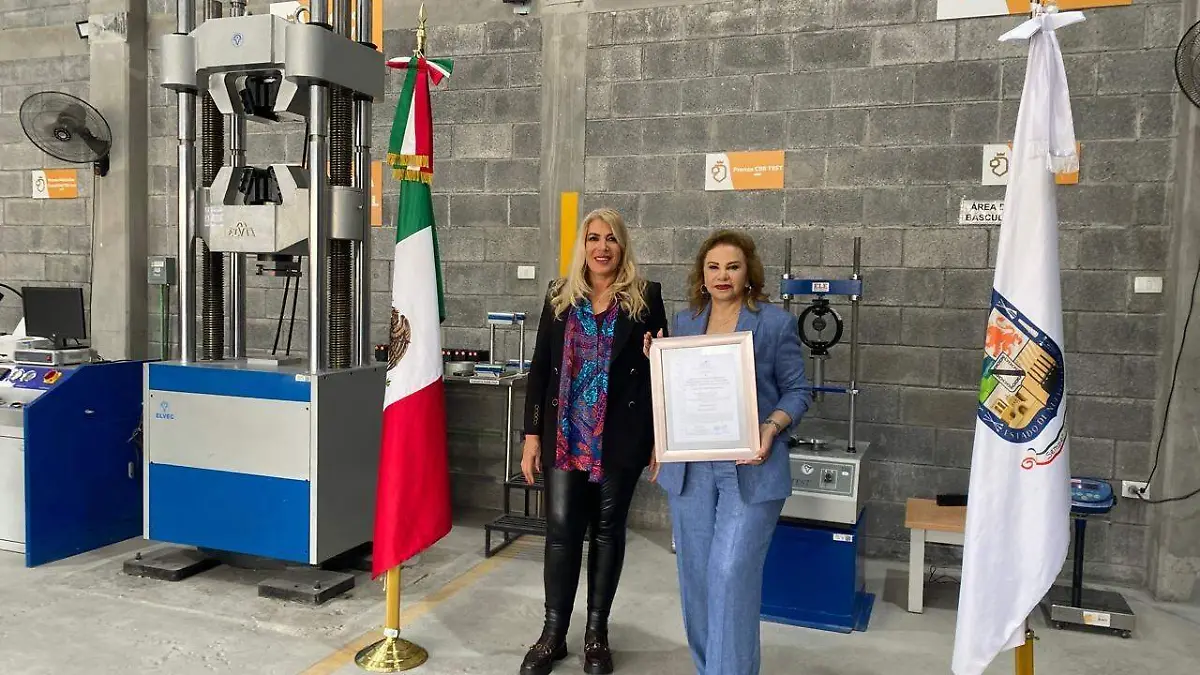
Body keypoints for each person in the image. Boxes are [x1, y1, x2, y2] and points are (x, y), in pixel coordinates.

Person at [646, 229, 809, 675]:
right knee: (697, 580)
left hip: (751, 465)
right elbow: (679, 391)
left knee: (730, 575)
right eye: (713, 267)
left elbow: (798, 392)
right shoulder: (685, 323)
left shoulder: (773, 323)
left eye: (732, 267)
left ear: (747, 272)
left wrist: (771, 427)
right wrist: (656, 362)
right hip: (691, 468)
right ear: (701, 274)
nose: (722, 275)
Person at [519, 207, 669, 675]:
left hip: (620, 437)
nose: (602, 247)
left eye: (611, 239)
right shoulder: (559, 296)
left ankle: (596, 636)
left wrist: (659, 436)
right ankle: (553, 635)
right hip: (564, 435)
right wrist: (531, 434)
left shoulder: (645, 298)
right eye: (593, 238)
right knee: (561, 533)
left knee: (607, 533)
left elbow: (660, 372)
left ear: (623, 246)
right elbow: (540, 369)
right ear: (582, 246)